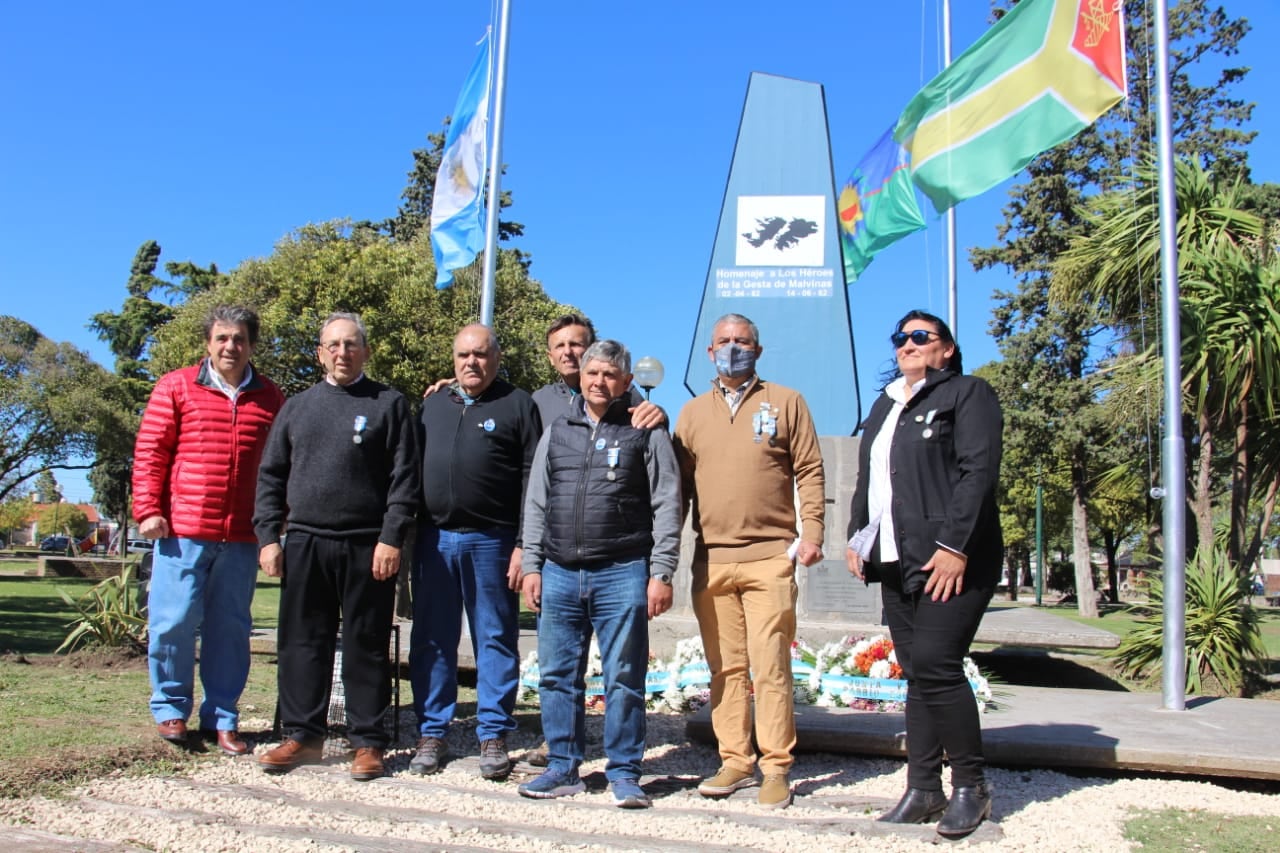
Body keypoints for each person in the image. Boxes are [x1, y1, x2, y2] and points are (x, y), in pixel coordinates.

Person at [845, 309, 1003, 838]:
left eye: (921, 337)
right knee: (916, 673)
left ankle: (971, 787)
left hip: (952, 559)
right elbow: (869, 481)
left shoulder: (967, 394)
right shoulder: (884, 405)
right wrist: (857, 537)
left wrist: (955, 545)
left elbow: (977, 473)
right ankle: (923, 788)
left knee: (938, 663)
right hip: (895, 558)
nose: (908, 345)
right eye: (901, 339)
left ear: (947, 349)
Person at [254, 312, 419, 782]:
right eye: (333, 345)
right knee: (303, 643)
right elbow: (271, 476)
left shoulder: (389, 404)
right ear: (320, 353)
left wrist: (392, 537)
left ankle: (367, 742)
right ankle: (304, 735)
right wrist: (269, 536)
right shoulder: (297, 407)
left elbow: (404, 480)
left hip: (368, 545)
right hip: (305, 541)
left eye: (351, 344)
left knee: (366, 644)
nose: (342, 352)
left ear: (365, 351)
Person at [517, 340, 680, 807]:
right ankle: (562, 767)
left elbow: (667, 502)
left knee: (623, 676)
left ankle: (625, 772)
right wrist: (533, 564)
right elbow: (536, 501)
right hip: (561, 571)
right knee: (556, 676)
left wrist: (662, 571)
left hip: (622, 570)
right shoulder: (558, 429)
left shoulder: (645, 429)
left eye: (610, 374)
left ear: (627, 382)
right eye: (592, 373)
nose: (599, 381)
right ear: (581, 377)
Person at [672, 313, 825, 810]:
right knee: (726, 669)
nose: (732, 348)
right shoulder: (692, 413)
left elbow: (810, 469)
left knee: (771, 667)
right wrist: (664, 552)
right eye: (723, 341)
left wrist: (813, 532)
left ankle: (776, 766)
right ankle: (735, 760)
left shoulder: (786, 401)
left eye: (742, 341)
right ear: (709, 351)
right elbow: (677, 491)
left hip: (769, 559)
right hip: (712, 561)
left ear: (758, 350)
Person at [133, 305, 285, 755]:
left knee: (230, 630)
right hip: (183, 531)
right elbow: (151, 453)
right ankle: (170, 709)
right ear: (208, 343)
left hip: (241, 537)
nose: (230, 347)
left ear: (251, 345)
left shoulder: (270, 397)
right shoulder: (176, 386)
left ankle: (222, 716)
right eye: (221, 338)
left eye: (239, 339)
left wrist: (272, 529)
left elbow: (278, 469)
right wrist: (148, 510)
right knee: (172, 623)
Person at [409, 324, 542, 780]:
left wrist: (525, 544)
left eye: (481, 354)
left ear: (496, 358)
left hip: (494, 540)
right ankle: (431, 731)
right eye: (464, 354)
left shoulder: (517, 405)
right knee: (432, 638)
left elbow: (532, 480)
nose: (472, 362)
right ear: (453, 359)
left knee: (495, 638)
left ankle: (493, 732)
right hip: (435, 540)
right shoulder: (432, 404)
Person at [531, 313, 666, 430]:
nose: (567, 352)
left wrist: (660, 415)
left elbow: (651, 423)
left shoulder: (621, 392)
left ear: (592, 349)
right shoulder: (539, 400)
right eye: (560, 346)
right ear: (550, 357)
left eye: (575, 344)